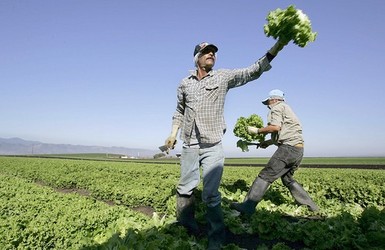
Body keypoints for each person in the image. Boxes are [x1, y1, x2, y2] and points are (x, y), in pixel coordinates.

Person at [164, 40, 288, 249]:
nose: (211, 54)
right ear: (197, 57)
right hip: (190, 144)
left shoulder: (222, 77)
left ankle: (216, 236)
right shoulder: (185, 83)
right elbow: (179, 111)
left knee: (211, 194)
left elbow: (252, 72)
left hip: (212, 145)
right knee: (185, 188)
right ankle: (187, 226)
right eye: (206, 52)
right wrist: (173, 133)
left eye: (213, 52)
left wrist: (276, 48)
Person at [230, 89, 319, 216]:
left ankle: (248, 206)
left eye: (268, 102)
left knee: (265, 175)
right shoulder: (287, 109)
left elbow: (276, 127)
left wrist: (257, 131)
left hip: (288, 149)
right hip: (298, 149)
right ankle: (311, 207)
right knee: (287, 179)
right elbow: (285, 132)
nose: (268, 105)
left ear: (274, 100)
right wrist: (269, 142)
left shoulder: (277, 108)